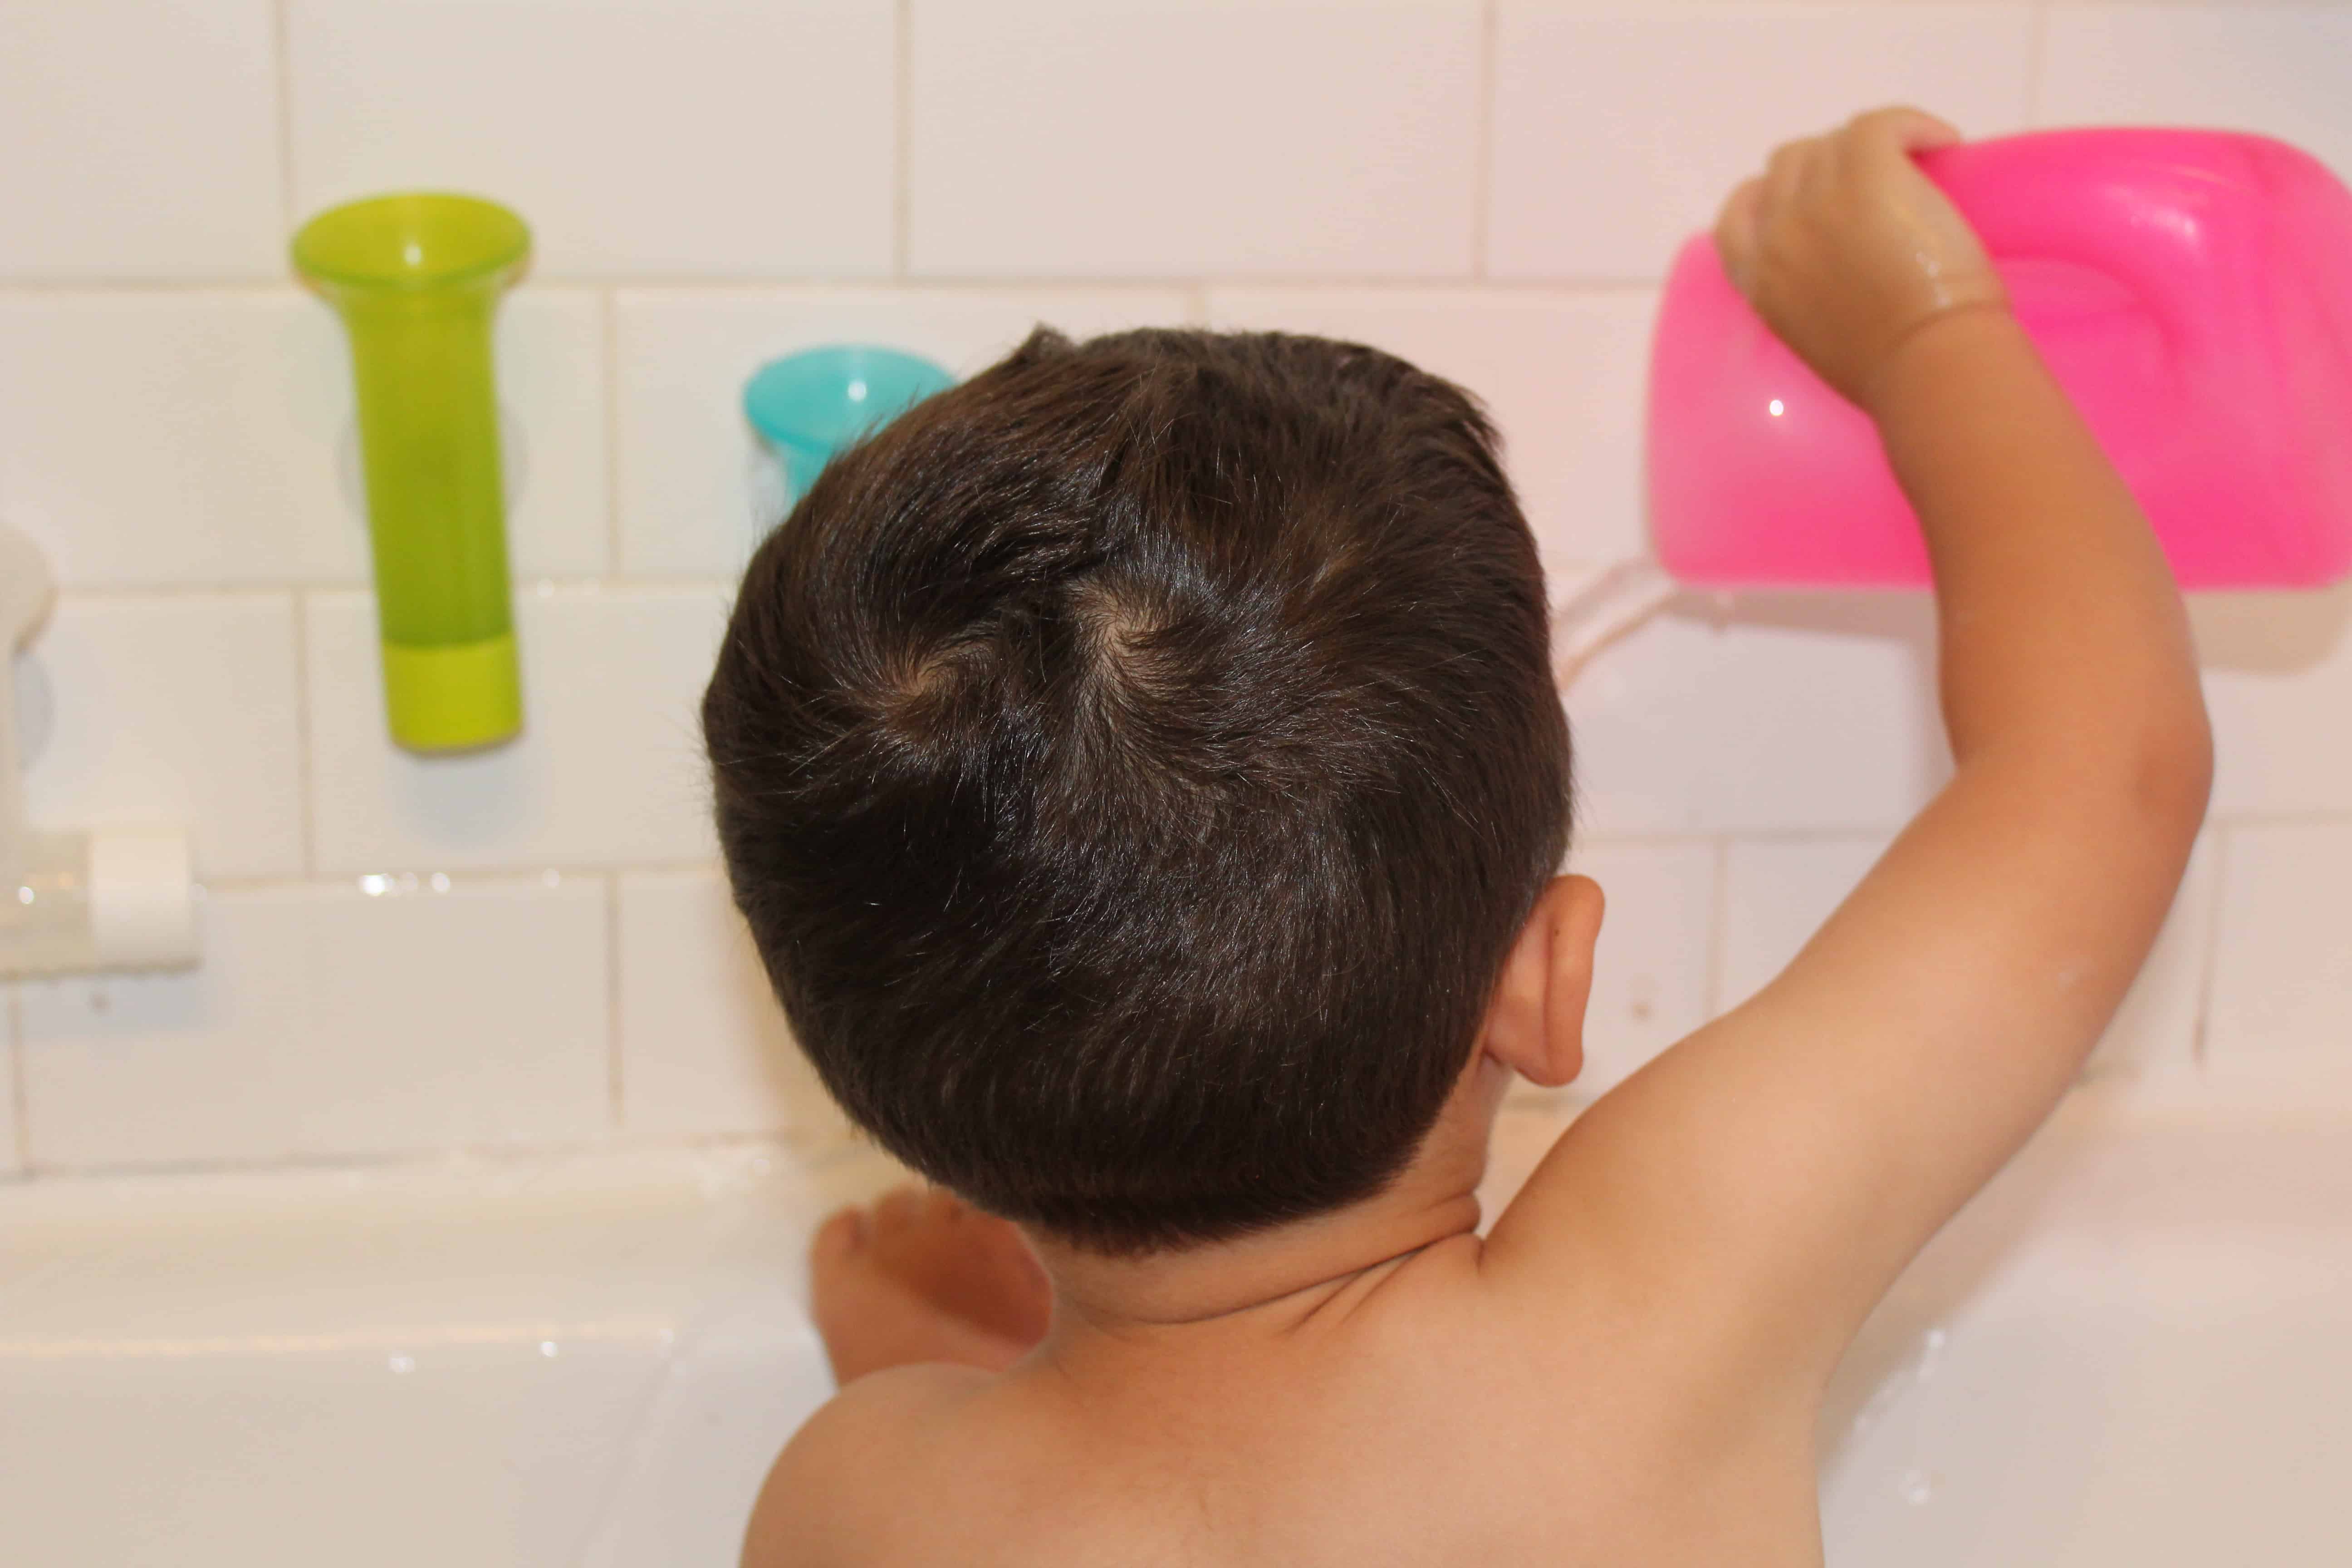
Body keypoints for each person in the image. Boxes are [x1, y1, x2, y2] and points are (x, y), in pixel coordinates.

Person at [703, 107, 2212, 1566]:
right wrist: (1925, 327)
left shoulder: (856, 1503)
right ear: (1541, 981)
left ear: (851, 1059)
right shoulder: (1646, 1324)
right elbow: (2105, 772)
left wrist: (936, 1390)